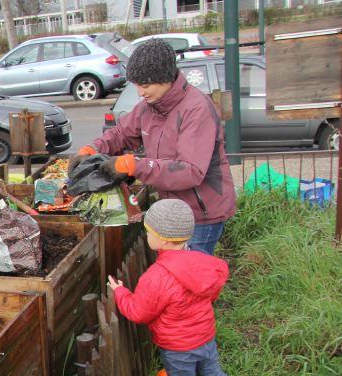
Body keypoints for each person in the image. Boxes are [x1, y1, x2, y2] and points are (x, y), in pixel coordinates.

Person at [107, 199, 251, 376]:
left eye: (149, 232)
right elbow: (210, 295)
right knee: (214, 375)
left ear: (161, 239)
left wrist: (120, 292)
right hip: (204, 337)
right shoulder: (202, 263)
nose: (147, 236)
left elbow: (138, 312)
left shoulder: (157, 276)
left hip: (177, 347)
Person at [72, 39, 236, 254]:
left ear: (166, 79)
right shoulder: (150, 107)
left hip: (200, 214)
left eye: (145, 85)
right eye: (137, 85)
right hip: (173, 208)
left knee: (191, 278)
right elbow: (121, 134)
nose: (140, 92)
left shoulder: (196, 110)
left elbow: (190, 171)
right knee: (172, 275)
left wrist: (134, 166)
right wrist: (93, 148)